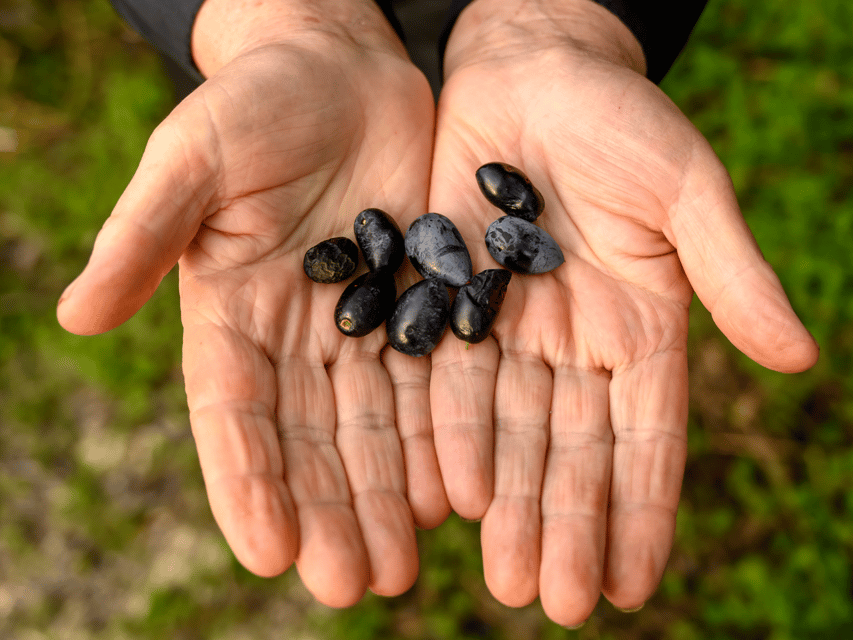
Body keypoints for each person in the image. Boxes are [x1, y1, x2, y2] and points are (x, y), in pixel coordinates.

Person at [57, 0, 819, 628]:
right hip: (286, 93)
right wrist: (269, 20)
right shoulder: (410, 263)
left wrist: (559, 19)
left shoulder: (458, 261)